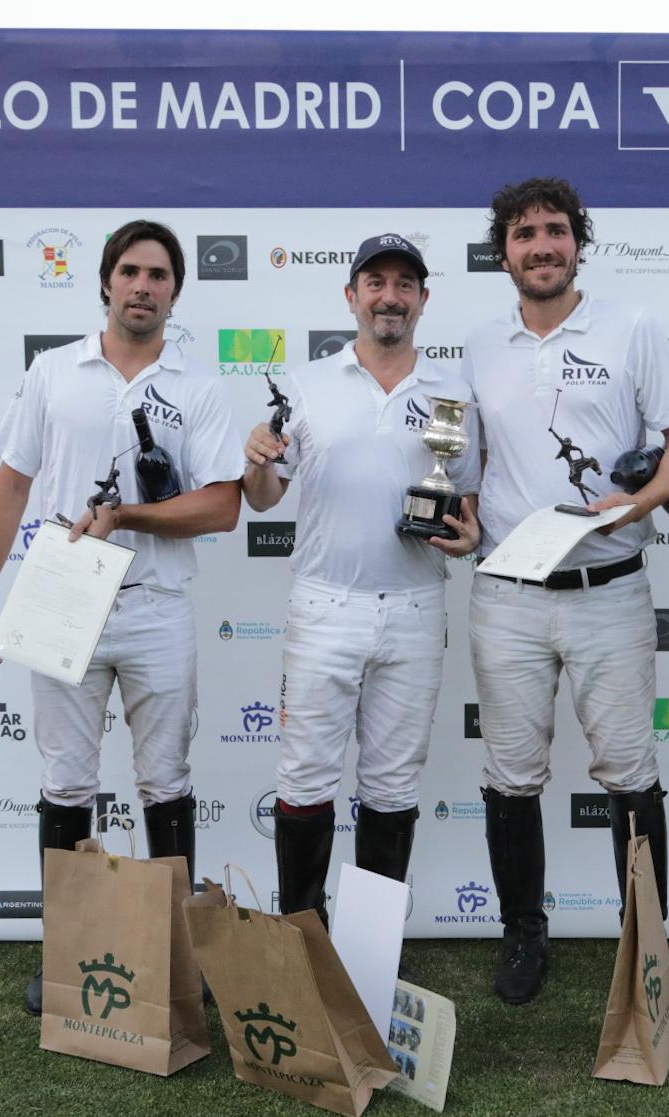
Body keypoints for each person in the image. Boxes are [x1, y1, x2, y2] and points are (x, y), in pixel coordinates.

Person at [0, 219, 244, 1015]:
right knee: (66, 781)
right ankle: (70, 954)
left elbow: (223, 506)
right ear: (105, 283)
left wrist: (126, 518)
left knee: (166, 782)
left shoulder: (198, 386)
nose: (143, 286)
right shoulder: (54, 371)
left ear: (175, 292)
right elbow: (11, 487)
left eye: (159, 275)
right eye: (130, 272)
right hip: (62, 597)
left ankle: (181, 957)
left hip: (155, 606)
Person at [463, 177, 669, 1005]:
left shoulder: (632, 328)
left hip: (609, 589)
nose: (541, 245)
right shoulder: (477, 344)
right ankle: (523, 934)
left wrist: (635, 506)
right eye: (524, 233)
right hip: (508, 593)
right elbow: (464, 465)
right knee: (509, 773)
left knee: (630, 770)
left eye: (555, 230)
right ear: (505, 252)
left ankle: (645, 945)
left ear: (578, 243)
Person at [241, 233, 480, 923]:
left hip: (414, 606)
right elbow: (261, 499)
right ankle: (301, 942)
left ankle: (371, 949)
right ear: (351, 297)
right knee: (305, 776)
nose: (389, 296)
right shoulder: (305, 384)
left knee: (392, 782)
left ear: (423, 301)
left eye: (404, 284)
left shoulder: (450, 394)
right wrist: (256, 460)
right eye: (375, 283)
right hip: (324, 606)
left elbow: (465, 509)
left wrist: (466, 539)